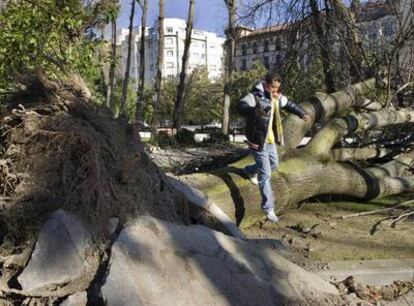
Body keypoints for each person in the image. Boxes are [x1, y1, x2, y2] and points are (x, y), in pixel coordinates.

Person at [237, 70, 310, 222]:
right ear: (266, 83)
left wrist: (302, 113)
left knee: (274, 164)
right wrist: (254, 110)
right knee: (266, 175)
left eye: (278, 87)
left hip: (269, 140)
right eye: (273, 87)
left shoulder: (276, 96)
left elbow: (289, 104)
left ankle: (249, 170)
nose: (276, 90)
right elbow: (241, 106)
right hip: (257, 139)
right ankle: (268, 208)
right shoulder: (255, 96)